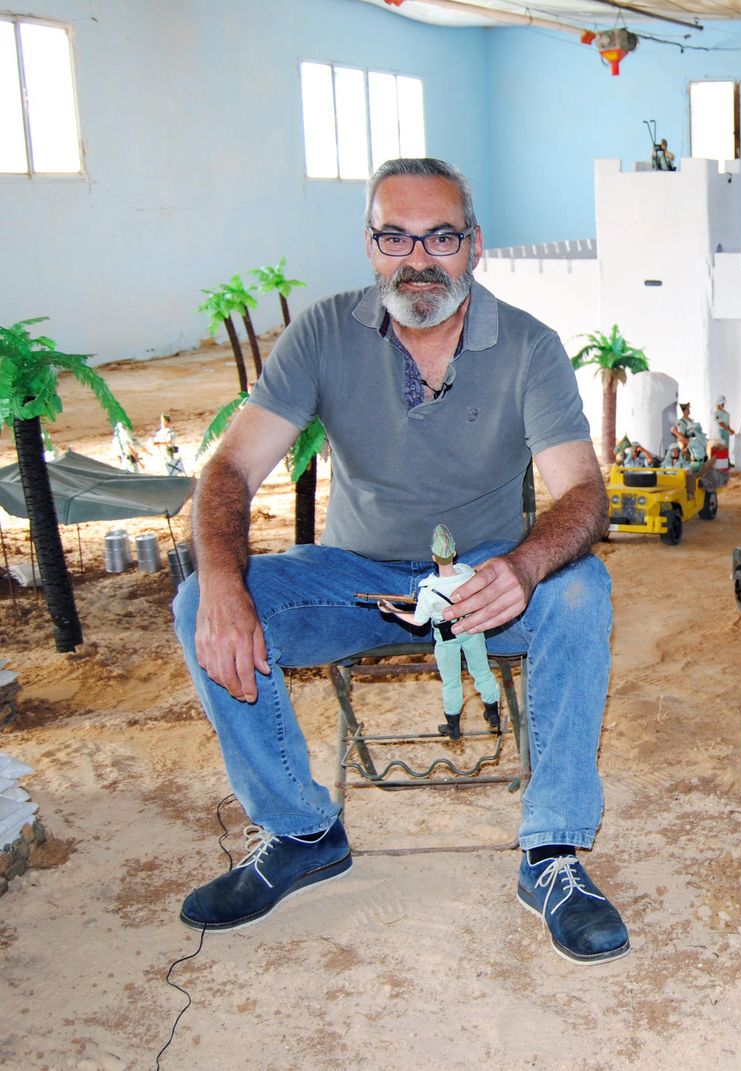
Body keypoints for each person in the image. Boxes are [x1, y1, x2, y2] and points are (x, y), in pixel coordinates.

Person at [172, 158, 628, 964]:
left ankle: (552, 854)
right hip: (354, 581)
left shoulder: (528, 345)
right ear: (370, 244)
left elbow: (583, 494)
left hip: (480, 580)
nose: (418, 259)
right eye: (396, 237)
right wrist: (219, 582)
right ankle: (301, 831)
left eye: (440, 237)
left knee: (580, 590)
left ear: (474, 245)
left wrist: (523, 568)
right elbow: (231, 470)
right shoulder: (323, 333)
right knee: (197, 602)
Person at [378, 524, 501, 741]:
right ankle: (493, 713)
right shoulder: (467, 573)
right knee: (482, 672)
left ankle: (453, 727)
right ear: (454, 553)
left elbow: (418, 622)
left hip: (446, 637)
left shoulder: (428, 590)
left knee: (451, 682)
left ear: (434, 557)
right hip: (471, 629)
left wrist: (393, 610)